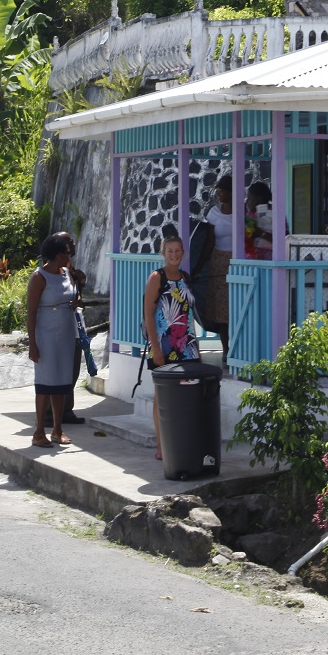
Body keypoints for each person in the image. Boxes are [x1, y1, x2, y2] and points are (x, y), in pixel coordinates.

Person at [142, 234, 200, 461]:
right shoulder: (157, 277)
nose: (174, 255)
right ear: (163, 253)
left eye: (178, 251)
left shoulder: (185, 277)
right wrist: (156, 348)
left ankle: (182, 440)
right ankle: (162, 444)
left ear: (182, 253)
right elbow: (148, 313)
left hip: (187, 343)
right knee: (163, 395)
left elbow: (189, 312)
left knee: (187, 393)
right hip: (165, 343)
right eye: (170, 251)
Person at [25, 234, 79, 447]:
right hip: (46, 335)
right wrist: (32, 343)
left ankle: (57, 430)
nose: (70, 254)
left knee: (61, 382)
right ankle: (39, 432)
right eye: (67, 251)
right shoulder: (39, 277)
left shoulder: (67, 273)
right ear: (58, 254)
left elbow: (73, 295)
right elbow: (31, 312)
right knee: (46, 383)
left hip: (66, 333)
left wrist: (76, 301)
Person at [40, 231, 86, 429]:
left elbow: (75, 296)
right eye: (68, 244)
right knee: (55, 374)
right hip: (54, 331)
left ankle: (66, 410)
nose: (72, 247)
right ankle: (50, 415)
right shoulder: (45, 273)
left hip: (72, 326)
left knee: (72, 371)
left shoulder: (69, 271)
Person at [197, 174, 234, 354]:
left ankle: (239, 348)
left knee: (236, 305)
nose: (219, 195)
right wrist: (198, 266)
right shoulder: (214, 212)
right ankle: (226, 349)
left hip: (237, 261)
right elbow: (209, 241)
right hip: (219, 261)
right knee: (221, 310)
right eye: (218, 191)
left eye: (222, 191)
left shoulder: (244, 211)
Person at [244, 181, 274, 259]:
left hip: (269, 261)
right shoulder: (250, 214)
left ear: (259, 199)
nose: (247, 201)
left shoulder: (274, 213)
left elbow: (283, 240)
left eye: (249, 197)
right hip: (252, 261)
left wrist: (261, 233)